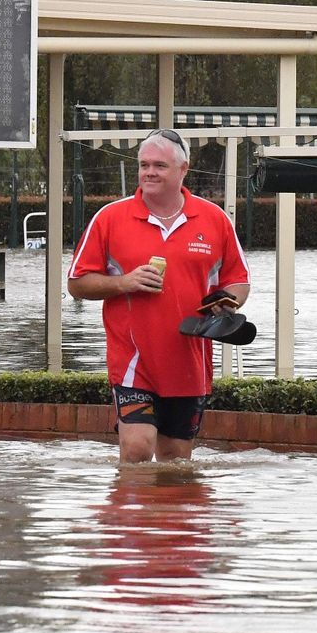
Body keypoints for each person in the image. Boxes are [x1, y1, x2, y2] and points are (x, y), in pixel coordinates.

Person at [68, 129, 251, 463]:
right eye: (143, 165)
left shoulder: (215, 219)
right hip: (133, 363)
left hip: (188, 364)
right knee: (137, 448)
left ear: (183, 169)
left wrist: (227, 304)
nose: (149, 172)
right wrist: (124, 282)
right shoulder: (110, 218)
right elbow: (77, 283)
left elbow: (239, 281)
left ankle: (163, 516)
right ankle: (129, 514)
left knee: (176, 462)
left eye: (159, 166)